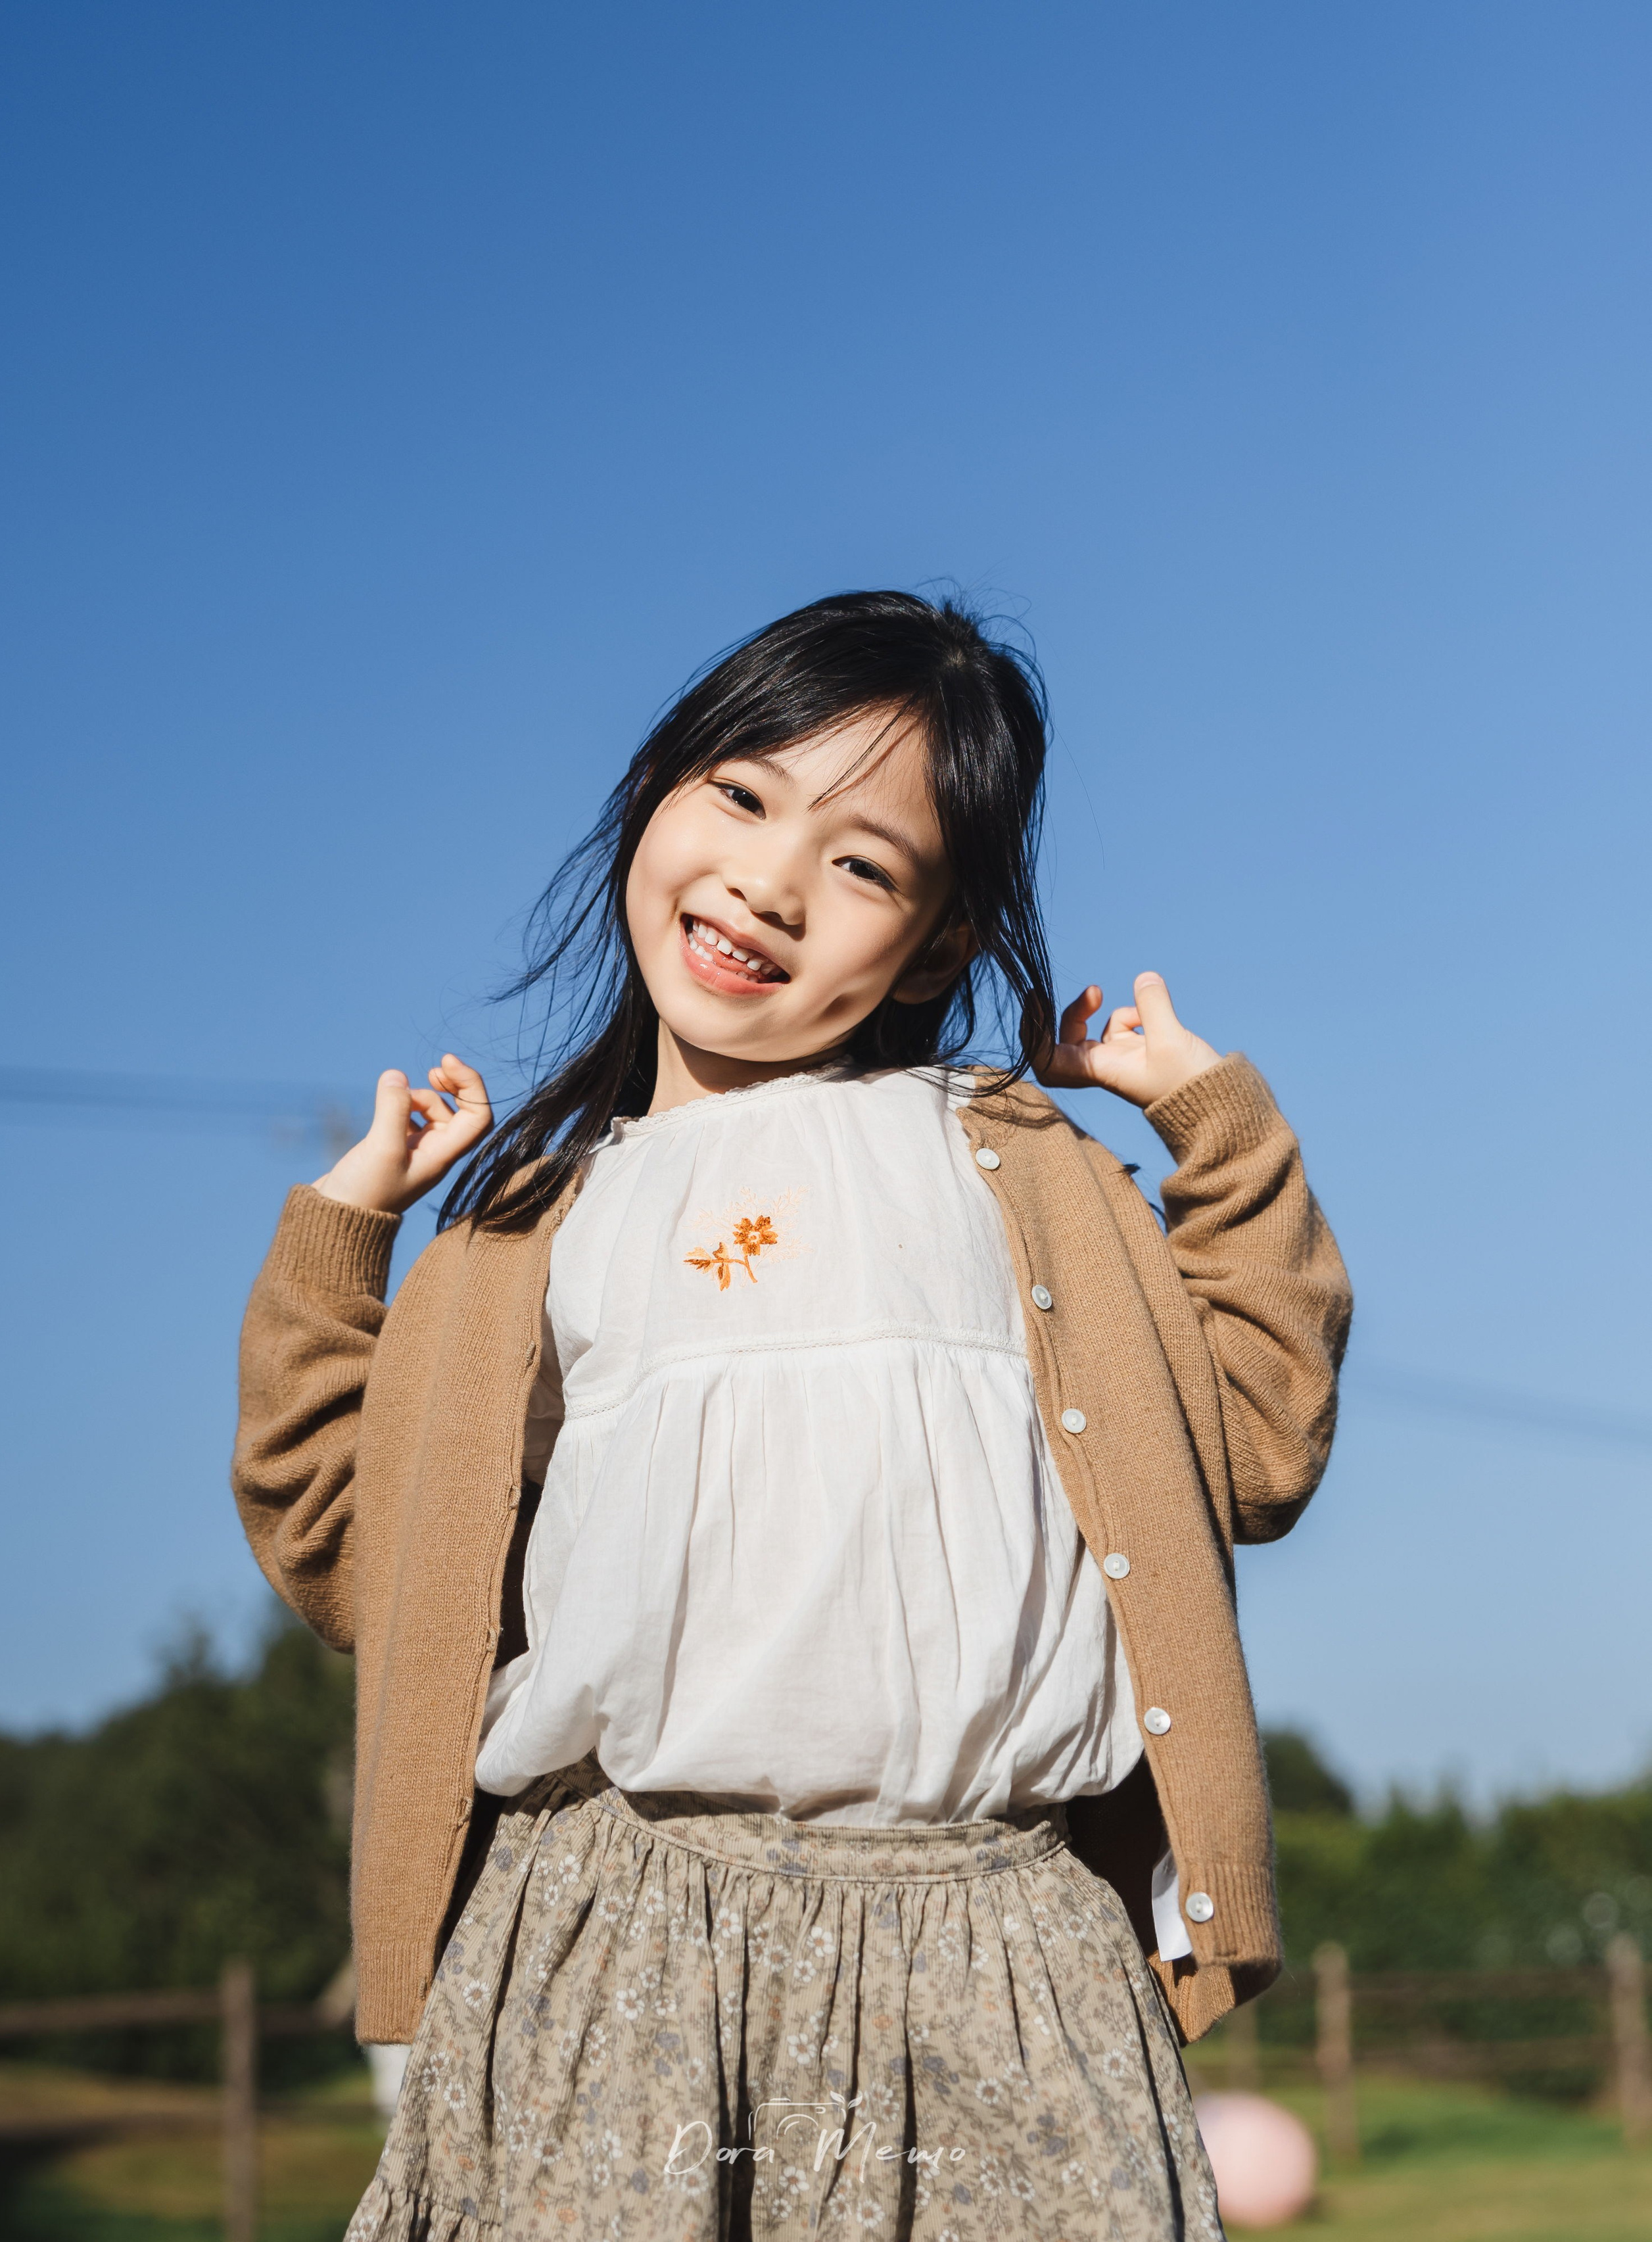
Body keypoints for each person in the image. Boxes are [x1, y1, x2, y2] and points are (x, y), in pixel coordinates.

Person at [233, 591, 1350, 2241]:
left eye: (862, 863)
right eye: (743, 795)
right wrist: (339, 1244)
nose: (768, 882)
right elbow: (349, 1555)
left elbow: (1253, 1442)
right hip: (604, 1945)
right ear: (657, 791)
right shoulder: (525, 1227)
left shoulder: (1021, 1172)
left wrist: (1214, 1128)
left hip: (1000, 1951)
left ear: (944, 938)